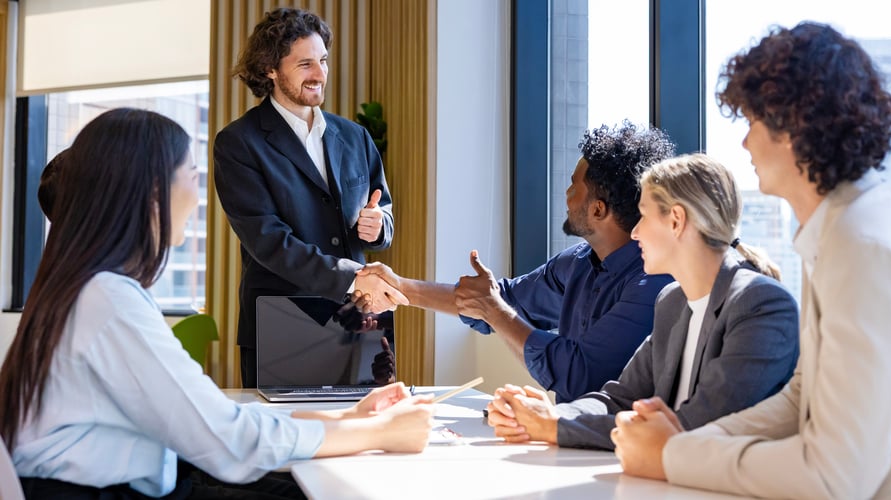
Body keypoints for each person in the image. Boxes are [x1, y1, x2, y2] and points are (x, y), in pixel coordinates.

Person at [0, 108, 434, 499]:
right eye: (189, 171)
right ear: (151, 194)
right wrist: (378, 432)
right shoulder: (108, 300)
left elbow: (212, 420)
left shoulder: (88, 288)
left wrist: (350, 421)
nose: (198, 187)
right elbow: (227, 438)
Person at [611, 22, 891, 499]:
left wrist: (671, 456)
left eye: (753, 123)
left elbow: (834, 476)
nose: (744, 145)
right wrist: (686, 441)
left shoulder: (864, 245)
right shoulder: (843, 232)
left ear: (792, 127)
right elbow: (802, 398)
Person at [485, 153, 799, 450]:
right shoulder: (673, 302)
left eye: (644, 215)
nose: (635, 232)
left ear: (676, 220)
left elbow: (696, 428)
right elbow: (618, 398)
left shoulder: (761, 305)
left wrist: (552, 426)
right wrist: (547, 414)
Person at [358, 122, 676, 402]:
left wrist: (495, 311)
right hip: (566, 439)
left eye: (574, 186)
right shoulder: (578, 262)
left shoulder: (654, 284)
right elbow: (502, 300)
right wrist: (400, 288)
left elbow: (578, 374)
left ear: (598, 210)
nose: (566, 194)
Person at [213, 7, 406, 388]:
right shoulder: (238, 143)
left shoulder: (355, 137)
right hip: (281, 325)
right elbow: (269, 242)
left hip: (360, 321)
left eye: (323, 61)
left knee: (363, 439)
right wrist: (355, 278)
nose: (319, 74)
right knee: (288, 443)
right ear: (270, 69)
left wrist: (379, 224)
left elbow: (382, 210)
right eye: (305, 64)